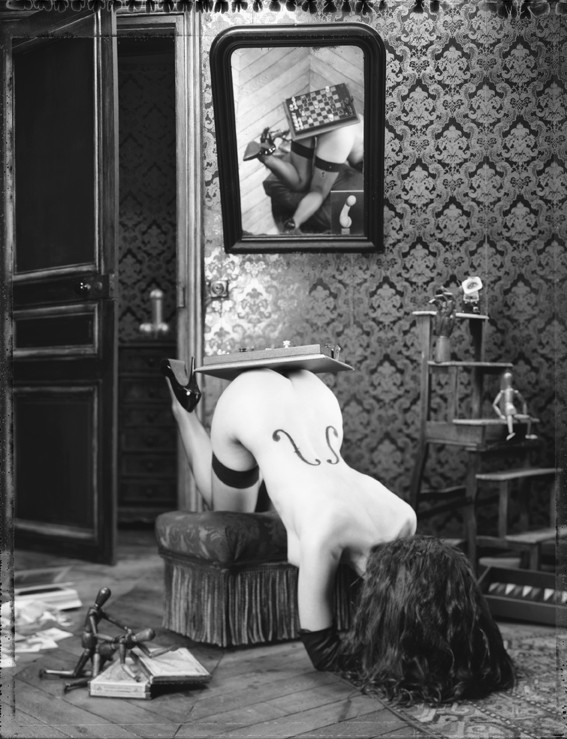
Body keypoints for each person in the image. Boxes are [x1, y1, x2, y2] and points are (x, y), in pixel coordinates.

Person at [161, 359, 515, 704]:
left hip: (314, 393)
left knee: (267, 477)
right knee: (230, 510)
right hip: (247, 402)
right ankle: (184, 409)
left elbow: (440, 589)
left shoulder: (403, 516)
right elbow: (324, 652)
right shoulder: (325, 533)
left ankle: (246, 453)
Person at [244, 116, 364, 233]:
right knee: (318, 192)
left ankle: (265, 155)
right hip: (339, 135)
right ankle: (294, 223)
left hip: (309, 114)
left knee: (301, 181)